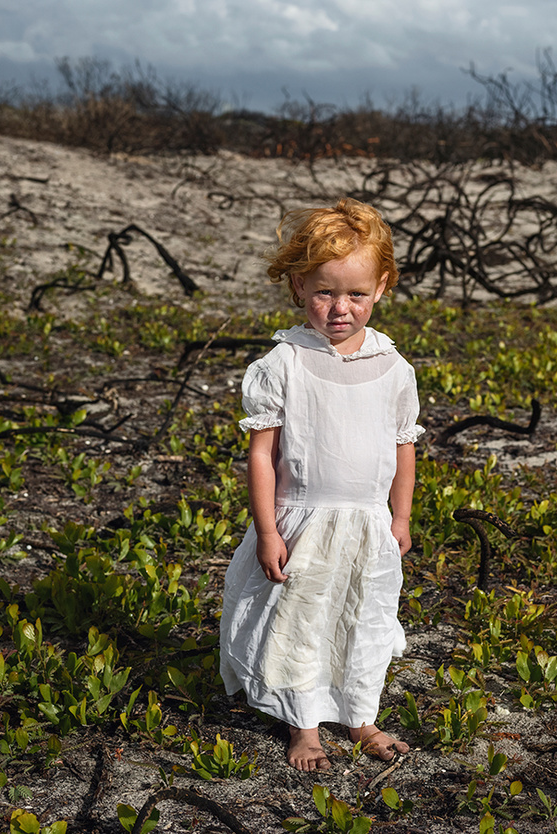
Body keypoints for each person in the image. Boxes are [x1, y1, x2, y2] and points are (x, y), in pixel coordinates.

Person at [219, 197, 422, 772]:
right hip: (302, 518)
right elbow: (263, 455)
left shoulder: (394, 368)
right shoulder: (283, 363)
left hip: (366, 523)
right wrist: (266, 530)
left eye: (356, 293)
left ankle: (360, 716)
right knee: (299, 621)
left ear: (381, 288)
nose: (340, 308)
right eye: (324, 292)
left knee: (363, 616)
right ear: (299, 286)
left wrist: (399, 518)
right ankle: (304, 727)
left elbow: (403, 449)